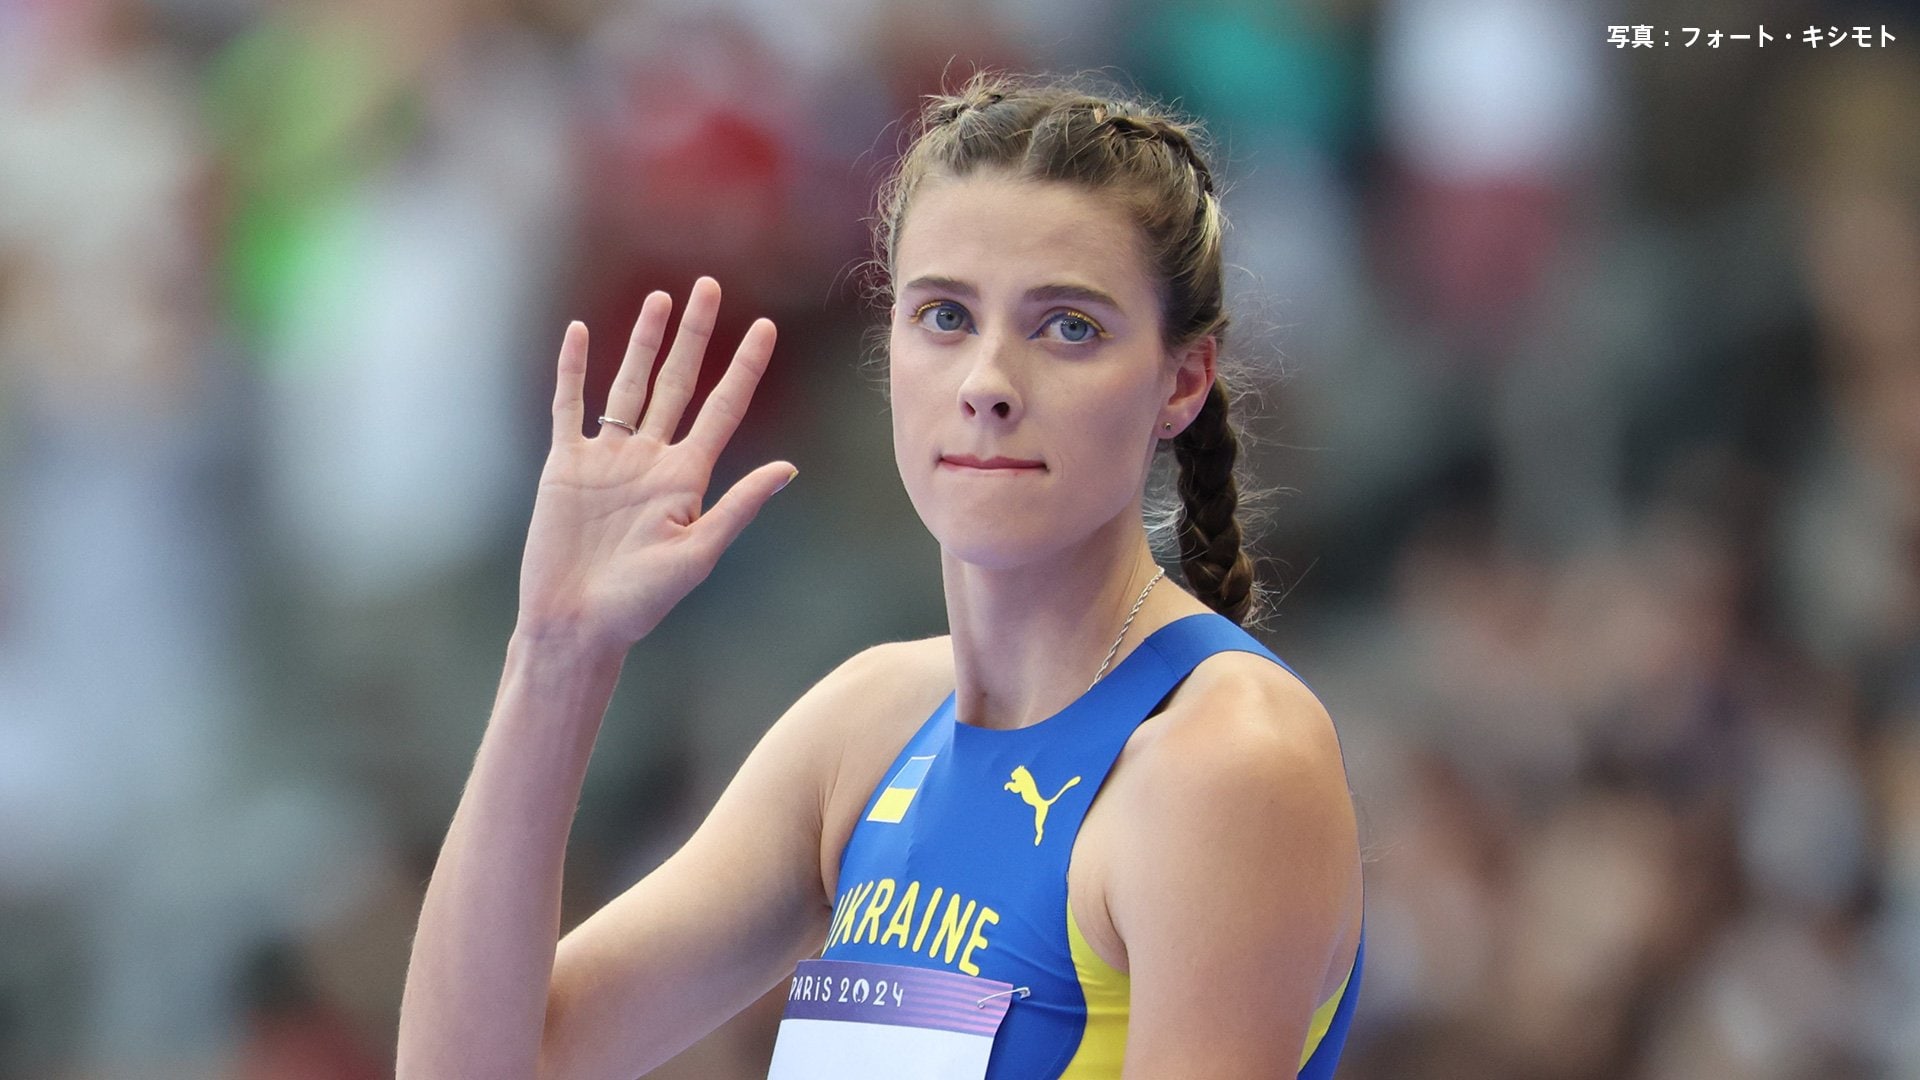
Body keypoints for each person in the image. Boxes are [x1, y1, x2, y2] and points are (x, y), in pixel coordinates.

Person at [397, 72, 1364, 1080]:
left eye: (1068, 327)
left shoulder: (1226, 758)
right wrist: (557, 653)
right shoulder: (865, 728)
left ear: (1183, 380)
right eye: (945, 316)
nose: (988, 383)